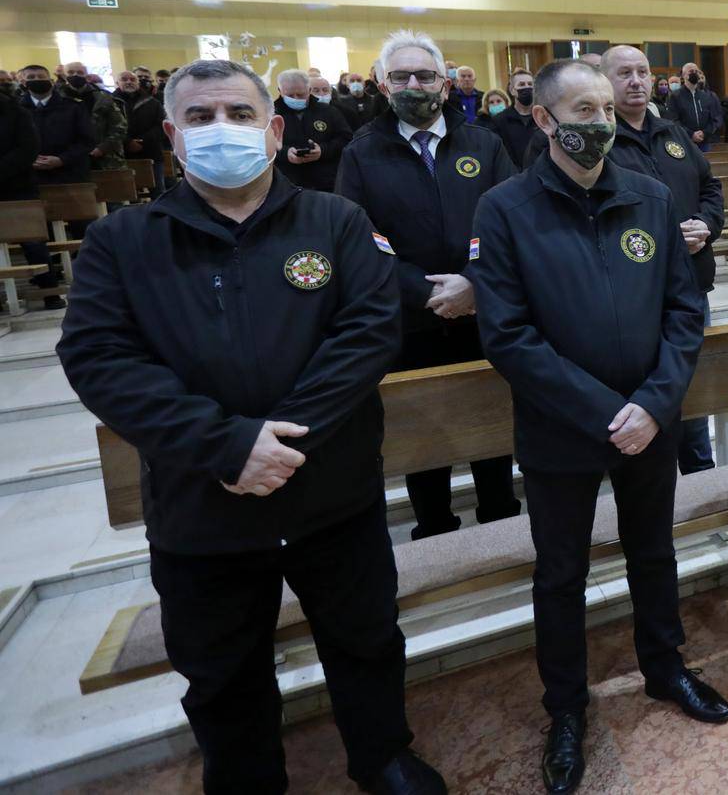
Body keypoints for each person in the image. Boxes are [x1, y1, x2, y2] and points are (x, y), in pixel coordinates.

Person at [56, 58, 444, 795]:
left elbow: (367, 332)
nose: (220, 130)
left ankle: (382, 755)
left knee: (365, 638)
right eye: (200, 118)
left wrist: (279, 439)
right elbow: (99, 357)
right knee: (222, 669)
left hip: (331, 490)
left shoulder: (335, 219)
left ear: (271, 130)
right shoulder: (125, 240)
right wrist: (229, 444)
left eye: (238, 114)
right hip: (206, 503)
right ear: (172, 135)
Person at [473, 60, 728, 794]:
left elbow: (685, 311)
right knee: (561, 573)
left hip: (648, 422)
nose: (600, 119)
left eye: (605, 107)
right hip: (563, 427)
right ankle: (565, 709)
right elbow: (509, 335)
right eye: (580, 108)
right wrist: (601, 410)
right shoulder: (506, 208)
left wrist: (652, 404)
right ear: (544, 120)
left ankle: (665, 667)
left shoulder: (648, 194)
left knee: (653, 552)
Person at [338, 29, 522, 539]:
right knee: (423, 440)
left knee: (490, 425)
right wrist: (429, 293)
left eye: (424, 75)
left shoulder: (484, 143)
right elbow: (360, 238)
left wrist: (475, 284)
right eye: (401, 76)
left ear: (444, 83)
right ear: (382, 84)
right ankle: (436, 530)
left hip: (485, 317)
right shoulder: (362, 152)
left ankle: (500, 523)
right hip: (407, 322)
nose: (414, 84)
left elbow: (512, 221)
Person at [598, 46, 725, 473]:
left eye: (642, 72)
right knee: (642, 401)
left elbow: (710, 188)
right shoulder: (597, 140)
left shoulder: (672, 133)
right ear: (603, 81)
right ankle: (647, 489)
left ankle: (699, 481)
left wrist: (705, 225)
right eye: (623, 73)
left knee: (692, 397)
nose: (636, 81)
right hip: (629, 301)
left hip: (690, 289)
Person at [20, 63, 95, 306]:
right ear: (23, 82)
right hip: (29, 178)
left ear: (51, 80)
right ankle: (48, 288)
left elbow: (87, 140)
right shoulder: (17, 109)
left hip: (69, 175)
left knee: (83, 229)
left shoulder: (72, 108)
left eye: (41, 77)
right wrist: (27, 159)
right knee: (35, 235)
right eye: (31, 77)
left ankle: (92, 280)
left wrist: (61, 159)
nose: (36, 80)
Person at [272, 68, 351, 192]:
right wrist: (285, 153)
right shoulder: (271, 115)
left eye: (300, 94)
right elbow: (261, 144)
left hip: (327, 182)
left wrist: (323, 150)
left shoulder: (328, 111)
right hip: (287, 183)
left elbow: (346, 138)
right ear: (280, 91)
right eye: (290, 95)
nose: (296, 98)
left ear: (309, 91)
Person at [63, 61, 127, 172]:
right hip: (68, 159)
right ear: (64, 75)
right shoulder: (57, 98)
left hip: (105, 157)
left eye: (80, 72)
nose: (75, 75)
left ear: (86, 76)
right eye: (71, 72)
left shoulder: (103, 97)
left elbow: (120, 126)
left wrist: (103, 148)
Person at [115, 67, 168, 190]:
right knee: (126, 193)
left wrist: (142, 141)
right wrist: (127, 142)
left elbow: (162, 125)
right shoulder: (110, 102)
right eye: (124, 79)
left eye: (132, 79)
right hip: (121, 154)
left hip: (151, 151)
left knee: (158, 190)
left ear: (137, 83)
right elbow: (108, 127)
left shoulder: (152, 102)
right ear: (117, 83)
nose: (129, 82)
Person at [489, 68, 540, 169]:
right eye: (521, 85)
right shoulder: (499, 121)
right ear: (512, 90)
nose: (527, 87)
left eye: (530, 84)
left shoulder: (542, 118)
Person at [668, 63, 722, 150]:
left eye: (696, 71)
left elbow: (713, 119)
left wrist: (704, 133)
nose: (694, 73)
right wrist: (691, 134)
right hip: (685, 141)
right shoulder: (675, 96)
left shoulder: (705, 96)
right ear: (683, 75)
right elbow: (673, 120)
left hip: (704, 141)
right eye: (691, 71)